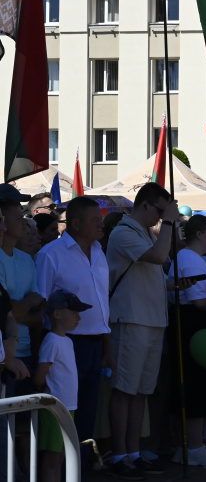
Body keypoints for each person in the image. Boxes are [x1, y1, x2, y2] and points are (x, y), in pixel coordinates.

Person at [105, 182, 178, 478]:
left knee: (140, 393)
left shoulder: (147, 232)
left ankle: (133, 453)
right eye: (160, 210)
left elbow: (155, 273)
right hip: (130, 319)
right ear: (145, 204)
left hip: (152, 319)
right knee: (124, 390)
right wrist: (171, 223)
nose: (162, 217)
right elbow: (159, 257)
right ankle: (119, 454)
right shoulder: (124, 232)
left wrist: (175, 284)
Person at [34, 197, 111, 469]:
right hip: (64, 344)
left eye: (101, 219)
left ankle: (80, 468)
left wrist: (106, 345)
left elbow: (102, 302)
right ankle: (61, 469)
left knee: (88, 409)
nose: (101, 224)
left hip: (94, 343)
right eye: (95, 220)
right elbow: (40, 303)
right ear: (75, 223)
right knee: (65, 411)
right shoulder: (50, 254)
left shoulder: (100, 252)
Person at [164, 216, 206, 465]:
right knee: (193, 385)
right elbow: (199, 300)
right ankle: (192, 446)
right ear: (199, 234)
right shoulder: (190, 258)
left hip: (197, 327)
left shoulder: (195, 258)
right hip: (191, 326)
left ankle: (192, 445)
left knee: (198, 385)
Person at [34, 290, 90, 482]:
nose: (78, 317)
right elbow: (40, 376)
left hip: (68, 408)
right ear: (57, 314)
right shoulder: (51, 341)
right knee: (52, 457)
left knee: (60, 456)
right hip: (54, 409)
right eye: (74, 312)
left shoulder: (67, 341)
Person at [0, 200, 44, 398]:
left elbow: (38, 307)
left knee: (22, 424)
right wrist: (26, 304)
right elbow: (11, 311)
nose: (25, 223)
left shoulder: (26, 259)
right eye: (18, 217)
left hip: (25, 352)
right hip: (4, 355)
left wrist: (18, 309)